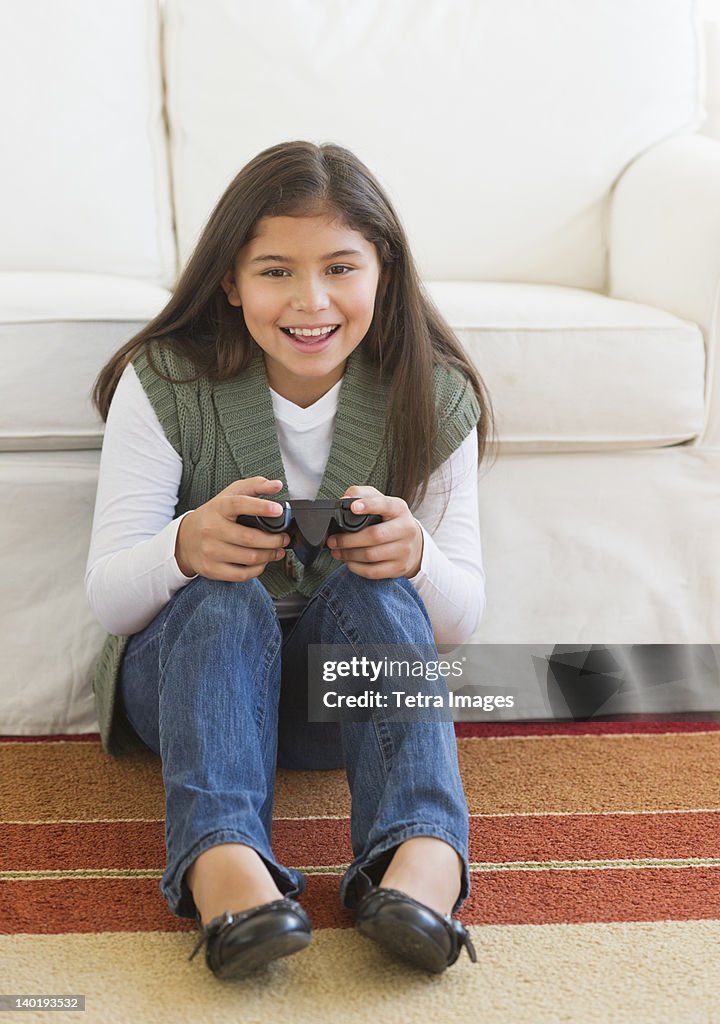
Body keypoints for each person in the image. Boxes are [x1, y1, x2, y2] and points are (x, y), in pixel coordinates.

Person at [85, 140, 495, 979]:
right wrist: (183, 545)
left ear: (384, 271)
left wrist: (413, 555)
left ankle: (422, 862)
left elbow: (459, 620)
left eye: (341, 267)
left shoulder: (434, 390)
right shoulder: (167, 381)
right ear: (230, 283)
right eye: (275, 271)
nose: (311, 302)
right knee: (222, 597)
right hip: (186, 683)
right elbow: (109, 599)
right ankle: (224, 872)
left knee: (381, 594)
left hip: (329, 708)